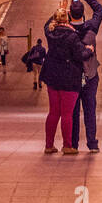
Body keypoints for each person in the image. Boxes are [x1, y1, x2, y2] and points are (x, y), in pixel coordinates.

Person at [42, 8, 88, 154]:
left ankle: (49, 145)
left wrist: (58, 9)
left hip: (52, 77)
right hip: (69, 78)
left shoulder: (50, 33)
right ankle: (67, 145)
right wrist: (90, 49)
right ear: (67, 19)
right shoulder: (72, 36)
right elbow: (81, 55)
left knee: (53, 113)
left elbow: (46, 24)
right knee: (67, 114)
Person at [63, 0, 102, 153]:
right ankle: (92, 143)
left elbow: (49, 27)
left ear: (69, 14)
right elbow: (99, 10)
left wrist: (62, 10)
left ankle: (73, 144)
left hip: (71, 77)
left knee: (73, 112)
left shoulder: (65, 31)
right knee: (90, 110)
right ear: (83, 13)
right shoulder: (91, 26)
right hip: (90, 75)